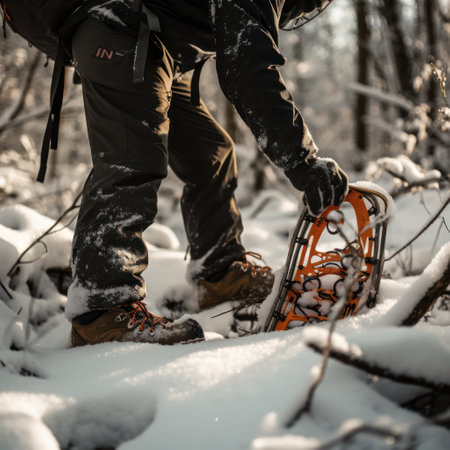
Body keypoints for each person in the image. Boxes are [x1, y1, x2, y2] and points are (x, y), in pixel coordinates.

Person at [67, 0, 349, 346]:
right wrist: (303, 160)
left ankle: (220, 273)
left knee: (211, 152)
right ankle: (103, 310)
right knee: (133, 159)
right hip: (120, 30)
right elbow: (248, 68)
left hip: (160, 48)